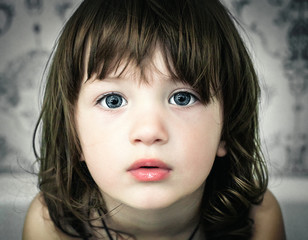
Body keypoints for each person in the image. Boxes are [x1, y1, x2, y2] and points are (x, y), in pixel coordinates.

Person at [22, 0, 286, 239]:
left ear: (227, 127)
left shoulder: (258, 220)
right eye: (113, 100)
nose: (149, 131)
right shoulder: (51, 226)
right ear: (73, 134)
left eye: (182, 98)